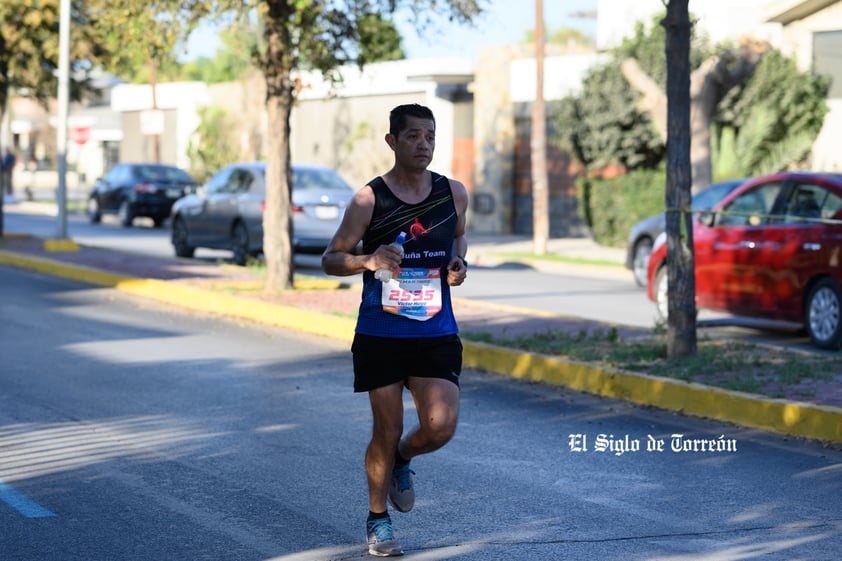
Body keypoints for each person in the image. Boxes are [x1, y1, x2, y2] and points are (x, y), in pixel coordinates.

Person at [322, 103, 469, 557]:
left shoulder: (453, 193)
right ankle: (378, 519)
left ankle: (404, 458)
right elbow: (331, 258)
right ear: (392, 141)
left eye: (430, 136)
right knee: (385, 428)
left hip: (435, 329)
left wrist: (459, 262)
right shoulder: (369, 200)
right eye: (412, 136)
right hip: (381, 334)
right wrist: (366, 259)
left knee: (440, 426)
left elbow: (459, 237)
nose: (423, 144)